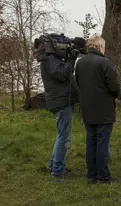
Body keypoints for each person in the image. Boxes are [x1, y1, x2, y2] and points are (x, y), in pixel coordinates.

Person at [75, 36, 121, 184]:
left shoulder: (80, 63)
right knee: (102, 143)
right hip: (103, 110)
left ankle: (91, 174)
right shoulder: (105, 63)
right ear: (100, 47)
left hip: (87, 109)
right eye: (104, 47)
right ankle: (103, 176)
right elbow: (115, 88)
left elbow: (78, 84)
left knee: (91, 142)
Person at [37, 40, 80, 182]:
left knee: (62, 135)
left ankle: (53, 164)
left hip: (59, 100)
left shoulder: (50, 59)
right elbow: (62, 74)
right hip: (60, 101)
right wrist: (72, 58)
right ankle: (57, 171)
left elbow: (62, 73)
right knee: (64, 137)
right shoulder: (50, 60)